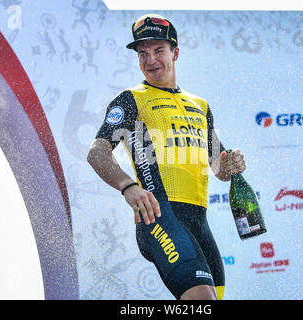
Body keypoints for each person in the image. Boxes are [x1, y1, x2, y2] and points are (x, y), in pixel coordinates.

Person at [87, 13, 246, 300]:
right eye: (143, 53)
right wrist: (128, 186)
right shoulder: (130, 99)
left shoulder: (200, 105)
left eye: (158, 50)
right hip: (159, 216)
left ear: (175, 52)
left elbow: (218, 165)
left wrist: (231, 164)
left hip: (200, 224)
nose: (150, 60)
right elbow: (97, 152)